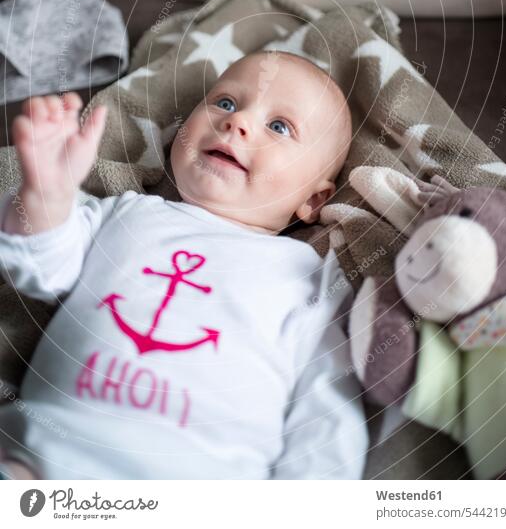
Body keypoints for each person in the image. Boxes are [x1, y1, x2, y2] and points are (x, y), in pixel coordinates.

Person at [0, 50, 367, 480]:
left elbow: (327, 413)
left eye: (279, 126)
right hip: (43, 460)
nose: (237, 122)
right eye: (226, 103)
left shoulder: (308, 278)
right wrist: (46, 193)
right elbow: (39, 267)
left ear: (314, 200)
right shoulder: (126, 214)